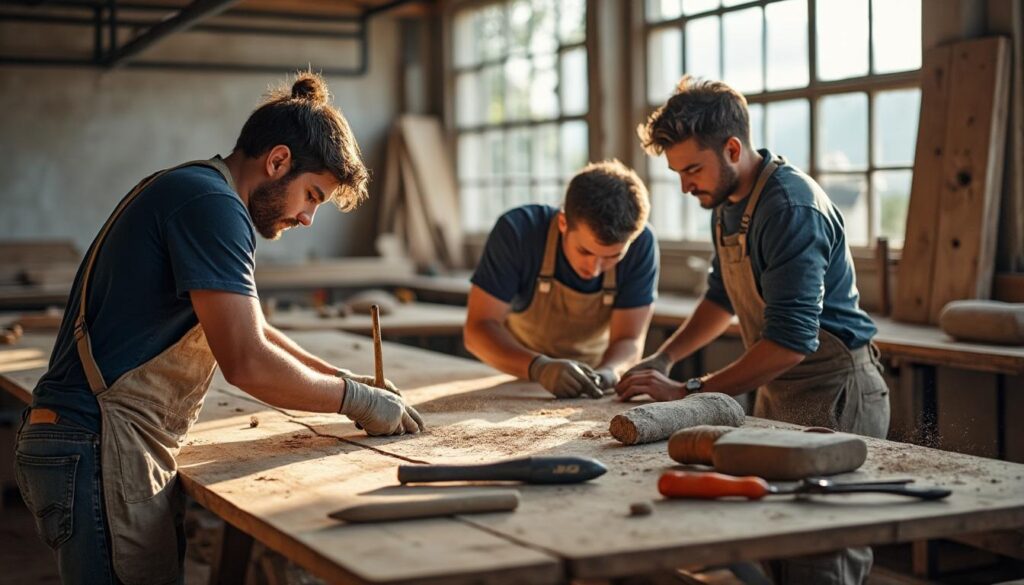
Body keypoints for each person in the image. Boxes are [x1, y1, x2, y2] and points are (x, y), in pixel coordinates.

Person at [14, 72, 423, 585]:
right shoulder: (212, 206)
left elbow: (256, 331)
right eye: (312, 195)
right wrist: (355, 402)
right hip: (97, 442)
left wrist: (347, 378)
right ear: (277, 161)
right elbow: (248, 362)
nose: (307, 219)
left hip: (95, 441)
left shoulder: (195, 187)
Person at [620, 75, 889, 584]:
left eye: (692, 169)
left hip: (835, 388)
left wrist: (688, 391)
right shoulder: (724, 201)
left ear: (733, 148)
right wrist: (665, 358)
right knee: (774, 534)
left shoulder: (788, 208)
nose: (685, 185)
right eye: (677, 172)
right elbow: (722, 297)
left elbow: (790, 342)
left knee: (819, 551)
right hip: (780, 388)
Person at [464, 160, 659, 399]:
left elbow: (629, 339)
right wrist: (539, 367)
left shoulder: (642, 244)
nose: (595, 269)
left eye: (612, 257)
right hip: (515, 373)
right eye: (585, 252)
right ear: (563, 222)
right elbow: (478, 329)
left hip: (593, 384)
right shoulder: (518, 231)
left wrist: (610, 372)